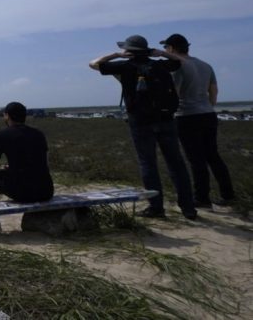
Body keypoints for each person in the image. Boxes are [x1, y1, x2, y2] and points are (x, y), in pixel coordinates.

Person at [89, 35, 197, 220]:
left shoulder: (124, 66)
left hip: (140, 121)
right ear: (146, 50)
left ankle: (156, 208)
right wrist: (161, 53)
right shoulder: (161, 65)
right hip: (166, 119)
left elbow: (93, 64)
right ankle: (188, 208)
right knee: (177, 163)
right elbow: (181, 61)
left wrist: (117, 55)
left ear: (129, 50)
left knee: (148, 164)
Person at [160, 33, 235, 207]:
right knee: (213, 156)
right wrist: (206, 106)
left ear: (171, 48)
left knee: (196, 159)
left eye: (166, 47)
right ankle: (228, 194)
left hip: (187, 115)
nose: (165, 50)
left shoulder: (178, 66)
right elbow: (214, 93)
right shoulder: (205, 65)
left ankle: (202, 198)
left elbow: (175, 93)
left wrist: (168, 111)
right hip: (208, 113)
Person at [0, 101, 54, 231]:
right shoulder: (39, 134)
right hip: (46, 190)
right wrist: (12, 169)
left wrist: (7, 170)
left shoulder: (1, 135)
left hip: (22, 192)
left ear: (7, 116)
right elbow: (44, 164)